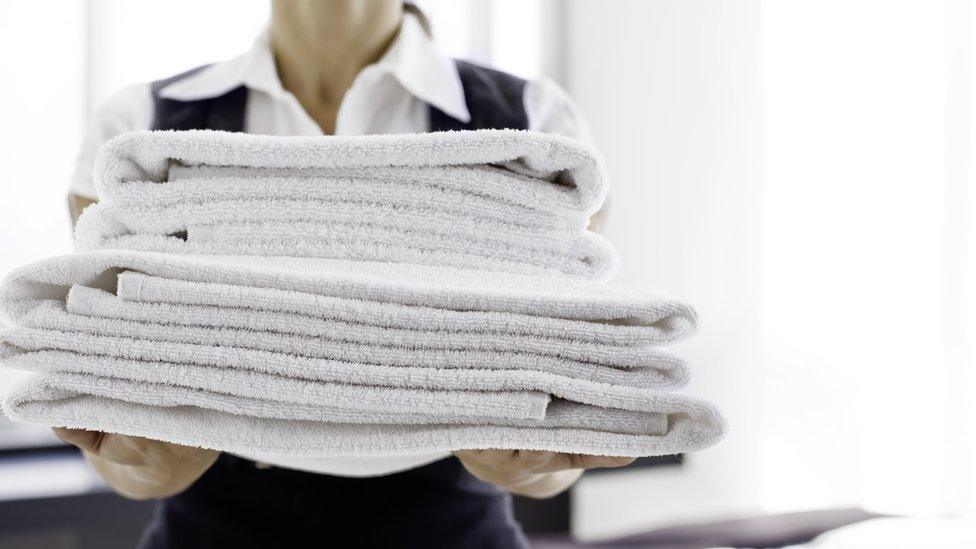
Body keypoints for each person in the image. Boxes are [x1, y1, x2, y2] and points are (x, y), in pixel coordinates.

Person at [58, 1, 631, 547]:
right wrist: (152, 467)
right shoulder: (138, 130)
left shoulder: (535, 125)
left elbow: (560, 380)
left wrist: (530, 467)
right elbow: (115, 434)